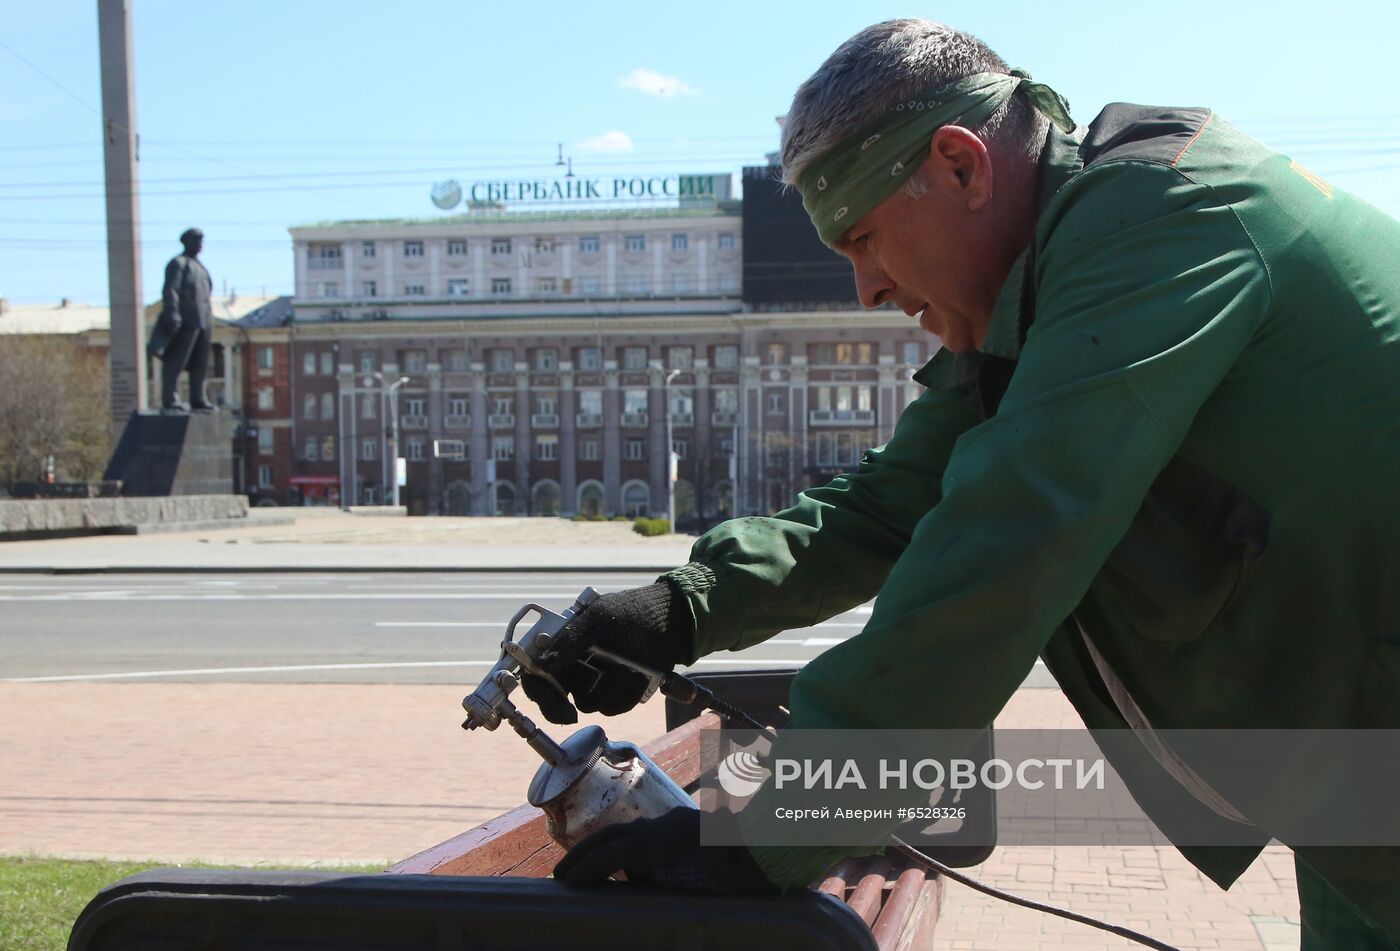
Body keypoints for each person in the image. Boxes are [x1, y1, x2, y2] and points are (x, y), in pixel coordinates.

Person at [526, 18, 1400, 947]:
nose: (865, 289)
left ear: (959, 164)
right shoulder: (1049, 284)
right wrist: (677, 610)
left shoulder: (1161, 222)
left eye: (863, 237)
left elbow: (1013, 535)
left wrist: (773, 826)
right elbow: (890, 502)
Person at [148, 227, 214, 412]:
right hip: (186, 320)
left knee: (200, 363)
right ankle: (170, 398)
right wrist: (173, 313)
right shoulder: (178, 263)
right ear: (185, 242)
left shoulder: (200, 267)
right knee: (175, 361)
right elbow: (171, 290)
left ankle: (198, 398)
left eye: (201, 240)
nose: (200, 244)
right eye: (196, 240)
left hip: (204, 320)